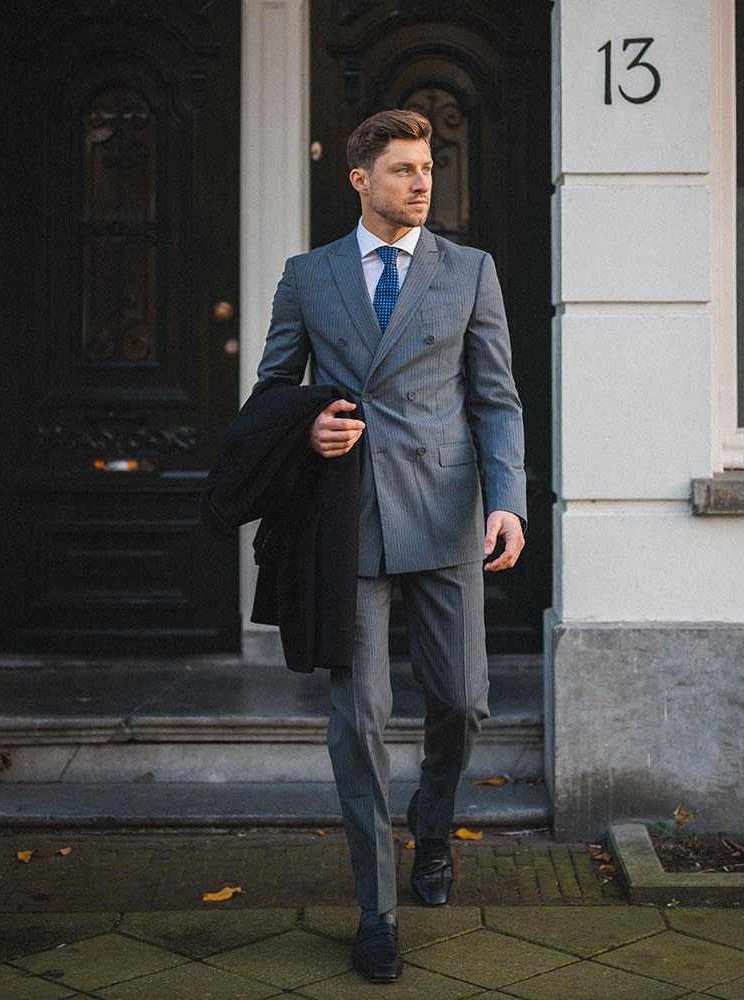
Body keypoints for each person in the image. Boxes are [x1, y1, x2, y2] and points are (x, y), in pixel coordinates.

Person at [254, 108, 527, 983]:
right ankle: (377, 909)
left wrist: (508, 502)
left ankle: (435, 826)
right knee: (358, 719)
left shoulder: (469, 271)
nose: (421, 182)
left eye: (428, 168)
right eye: (404, 168)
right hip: (353, 517)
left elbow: (496, 401)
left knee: (462, 701)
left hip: (447, 512)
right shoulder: (308, 276)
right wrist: (311, 430)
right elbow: (272, 392)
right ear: (359, 179)